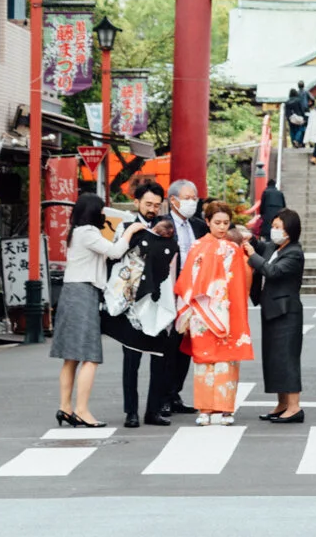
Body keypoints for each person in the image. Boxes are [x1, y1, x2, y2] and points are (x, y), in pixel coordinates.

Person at [52, 192, 143, 428]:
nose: (103, 214)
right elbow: (115, 251)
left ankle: (65, 407)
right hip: (83, 293)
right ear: (93, 212)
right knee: (91, 356)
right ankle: (81, 410)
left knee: (71, 357)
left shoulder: (77, 232)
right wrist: (131, 231)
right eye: (101, 210)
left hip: (72, 293)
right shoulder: (88, 232)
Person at [173, 201, 253, 426]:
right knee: (204, 361)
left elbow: (240, 284)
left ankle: (225, 409)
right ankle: (205, 409)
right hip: (202, 312)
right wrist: (190, 309)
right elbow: (187, 281)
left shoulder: (233, 249)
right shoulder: (197, 247)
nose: (222, 227)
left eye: (226, 223)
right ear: (207, 222)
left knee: (226, 361)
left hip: (228, 310)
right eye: (217, 222)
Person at [120, 178, 180, 428]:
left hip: (158, 300)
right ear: (136, 202)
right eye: (148, 204)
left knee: (159, 358)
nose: (152, 209)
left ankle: (153, 411)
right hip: (132, 303)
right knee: (131, 359)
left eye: (156, 205)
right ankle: (131, 412)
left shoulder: (166, 228)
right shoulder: (126, 227)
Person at [239, 208, 305, 422]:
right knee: (274, 359)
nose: (273, 230)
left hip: (287, 313)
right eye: (273, 226)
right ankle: (282, 404)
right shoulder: (274, 247)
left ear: (289, 230)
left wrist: (252, 255)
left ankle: (294, 407)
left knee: (287, 359)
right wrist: (248, 238)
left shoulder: (294, 253)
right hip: (271, 311)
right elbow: (260, 246)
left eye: (278, 227)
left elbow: (272, 272)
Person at [159, 179, 208, 414]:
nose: (192, 202)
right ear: (173, 200)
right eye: (187, 198)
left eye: (194, 198)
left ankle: (175, 393)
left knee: (185, 347)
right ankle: (163, 396)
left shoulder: (198, 226)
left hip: (194, 294)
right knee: (168, 347)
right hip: (170, 292)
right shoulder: (162, 224)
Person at [286, 81, 310, 150]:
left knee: (292, 130)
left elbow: (286, 112)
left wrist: (288, 118)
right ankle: (296, 140)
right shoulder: (298, 100)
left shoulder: (287, 102)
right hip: (298, 117)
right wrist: (304, 117)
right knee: (300, 129)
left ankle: (293, 142)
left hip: (291, 118)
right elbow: (301, 109)